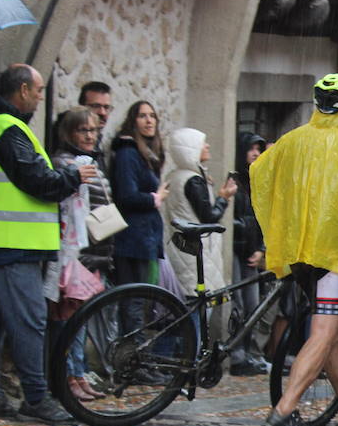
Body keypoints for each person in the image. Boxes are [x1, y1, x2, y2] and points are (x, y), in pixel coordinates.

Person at [249, 73, 338, 426]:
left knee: (333, 338)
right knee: (324, 333)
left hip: (299, 253)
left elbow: (258, 174)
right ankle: (283, 411)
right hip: (335, 255)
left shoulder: (291, 142)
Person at [0, 64, 90, 423]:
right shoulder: (7, 129)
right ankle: (36, 398)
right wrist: (72, 176)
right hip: (11, 245)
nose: (41, 96)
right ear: (22, 90)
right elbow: (37, 180)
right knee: (29, 321)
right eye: (39, 90)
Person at [49, 106, 115, 401]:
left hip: (95, 251)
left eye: (93, 130)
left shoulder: (90, 162)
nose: (90, 136)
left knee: (81, 320)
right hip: (78, 252)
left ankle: (78, 374)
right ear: (69, 133)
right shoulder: (67, 164)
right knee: (69, 321)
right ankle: (68, 377)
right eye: (83, 130)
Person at [162, 128, 234, 343]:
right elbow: (209, 217)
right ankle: (188, 361)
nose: (207, 146)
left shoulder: (174, 176)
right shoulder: (193, 180)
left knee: (182, 309)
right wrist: (224, 197)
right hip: (195, 251)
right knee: (196, 309)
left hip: (180, 246)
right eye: (203, 143)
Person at [110, 101, 168, 290]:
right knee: (135, 299)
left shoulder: (147, 154)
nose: (149, 121)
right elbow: (127, 196)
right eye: (142, 116)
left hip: (145, 238)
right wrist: (155, 198)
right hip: (132, 240)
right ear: (133, 121)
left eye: (152, 116)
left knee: (145, 299)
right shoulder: (128, 153)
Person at [229, 131, 271, 375]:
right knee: (238, 305)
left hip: (252, 251)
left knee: (254, 305)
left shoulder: (259, 180)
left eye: (259, 149)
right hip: (236, 249)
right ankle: (236, 355)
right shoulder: (235, 180)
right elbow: (236, 219)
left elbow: (263, 218)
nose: (256, 154)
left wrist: (261, 249)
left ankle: (249, 353)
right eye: (251, 149)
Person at [78, 81, 112, 156]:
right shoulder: (75, 143)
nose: (102, 113)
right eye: (96, 106)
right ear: (82, 107)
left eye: (106, 107)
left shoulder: (98, 140)